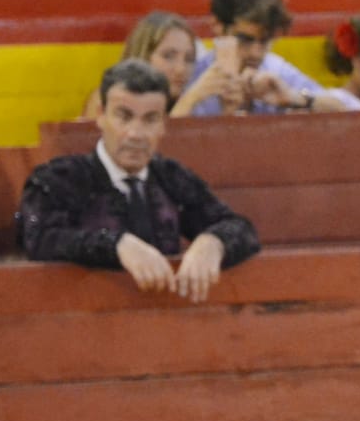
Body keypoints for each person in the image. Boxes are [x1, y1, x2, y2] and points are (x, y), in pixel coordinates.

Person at [17, 60, 260, 304]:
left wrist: (214, 242)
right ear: (101, 116)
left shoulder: (171, 177)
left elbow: (240, 228)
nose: (136, 133)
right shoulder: (59, 179)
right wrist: (116, 244)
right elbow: (38, 237)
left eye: (150, 119)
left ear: (164, 123)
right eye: (124, 116)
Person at [187, 0, 347, 116]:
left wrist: (293, 98)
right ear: (217, 26)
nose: (256, 53)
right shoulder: (190, 76)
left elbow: (349, 111)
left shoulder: (276, 71)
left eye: (265, 41)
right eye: (244, 39)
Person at [81, 12, 232, 120]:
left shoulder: (188, 104)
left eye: (189, 59)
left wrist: (228, 110)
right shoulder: (107, 98)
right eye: (168, 56)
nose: (181, 69)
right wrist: (190, 100)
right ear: (143, 56)